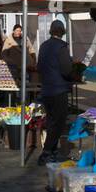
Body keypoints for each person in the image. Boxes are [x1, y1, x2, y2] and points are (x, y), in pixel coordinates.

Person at [36, 19, 73, 166]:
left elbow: (39, 67)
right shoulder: (62, 47)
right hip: (59, 89)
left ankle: (51, 151)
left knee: (51, 121)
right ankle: (46, 152)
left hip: (47, 89)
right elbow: (66, 70)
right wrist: (73, 73)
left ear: (51, 31)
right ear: (63, 32)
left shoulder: (44, 46)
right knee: (58, 123)